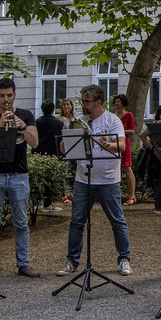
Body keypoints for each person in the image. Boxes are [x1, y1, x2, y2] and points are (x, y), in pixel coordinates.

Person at [56, 84, 133, 277]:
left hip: (108, 180)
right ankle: (72, 261)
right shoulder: (80, 120)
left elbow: (122, 145)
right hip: (83, 179)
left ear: (98, 102)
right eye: (82, 101)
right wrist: (67, 141)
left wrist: (106, 143)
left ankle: (124, 259)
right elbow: (65, 149)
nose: (82, 105)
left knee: (117, 221)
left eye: (86, 101)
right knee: (77, 221)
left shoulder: (113, 120)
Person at [0, 78, 41, 282]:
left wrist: (22, 127)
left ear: (14, 95)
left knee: (21, 222)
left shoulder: (26, 115)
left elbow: (35, 143)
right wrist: (0, 123)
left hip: (19, 175)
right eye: (2, 95)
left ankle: (23, 264)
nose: (6, 99)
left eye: (9, 95)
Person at [140, 104, 161, 216]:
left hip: (157, 157)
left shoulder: (155, 124)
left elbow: (142, 135)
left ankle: (158, 207)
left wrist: (150, 146)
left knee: (158, 182)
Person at [33, 99, 65, 212]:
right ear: (52, 110)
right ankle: (48, 204)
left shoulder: (36, 122)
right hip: (53, 153)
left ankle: (35, 203)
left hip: (38, 153)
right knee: (51, 180)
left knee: (38, 178)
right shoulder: (58, 123)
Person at [113, 94, 138, 206]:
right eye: (115, 102)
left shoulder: (129, 115)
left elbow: (132, 131)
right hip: (115, 143)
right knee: (115, 169)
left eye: (118, 101)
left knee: (127, 169)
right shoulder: (113, 116)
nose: (116, 104)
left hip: (125, 143)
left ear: (123, 102)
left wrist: (120, 130)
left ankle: (132, 195)